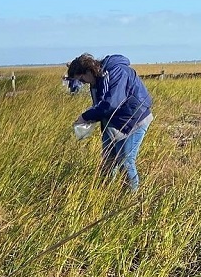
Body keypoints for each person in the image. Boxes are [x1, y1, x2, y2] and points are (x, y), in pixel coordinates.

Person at [66, 53, 154, 191]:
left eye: (82, 79)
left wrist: (85, 116)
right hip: (114, 122)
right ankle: (105, 193)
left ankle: (132, 198)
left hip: (134, 119)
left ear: (89, 70)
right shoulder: (97, 80)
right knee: (108, 160)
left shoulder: (115, 72)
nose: (83, 83)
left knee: (125, 160)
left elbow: (111, 104)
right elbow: (101, 106)